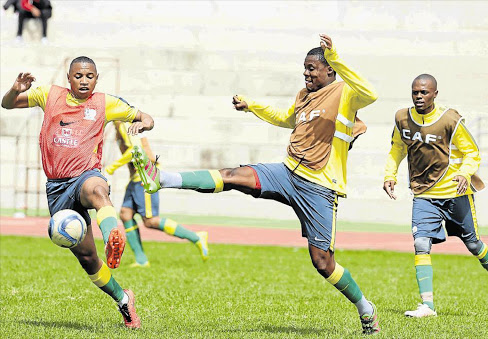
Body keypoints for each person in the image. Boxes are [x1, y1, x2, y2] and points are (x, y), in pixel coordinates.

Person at [131, 34, 381, 335]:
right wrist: (253, 105)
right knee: (233, 175)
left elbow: (371, 93)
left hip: (320, 188)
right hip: (287, 173)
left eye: (313, 68)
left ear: (329, 70)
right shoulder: (304, 95)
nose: (307, 73)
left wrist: (337, 56)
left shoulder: (345, 93)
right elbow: (286, 118)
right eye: (304, 68)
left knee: (323, 263)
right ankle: (163, 179)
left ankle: (365, 306)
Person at [1, 56, 155, 328]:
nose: (84, 81)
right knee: (87, 258)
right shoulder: (49, 95)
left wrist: (142, 124)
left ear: (96, 79)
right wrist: (16, 89)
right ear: (69, 78)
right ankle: (123, 299)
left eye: (90, 76)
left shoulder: (105, 103)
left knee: (97, 189)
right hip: (57, 187)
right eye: (79, 76)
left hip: (85, 175)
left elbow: (146, 117)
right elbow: (8, 104)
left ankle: (112, 238)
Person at [382, 74, 488, 317]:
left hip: (455, 193)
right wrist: (390, 175)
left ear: (435, 94)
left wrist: (464, 173)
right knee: (421, 244)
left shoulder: (450, 119)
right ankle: (427, 306)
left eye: (424, 92)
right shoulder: (402, 118)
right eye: (415, 92)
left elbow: (472, 153)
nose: (419, 97)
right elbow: (397, 148)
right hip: (423, 194)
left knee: (473, 244)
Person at [105, 121, 209, 266]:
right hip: (135, 179)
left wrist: (111, 167)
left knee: (151, 221)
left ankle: (196, 237)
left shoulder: (124, 125)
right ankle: (141, 260)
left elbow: (135, 149)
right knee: (125, 214)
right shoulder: (119, 128)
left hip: (145, 178)